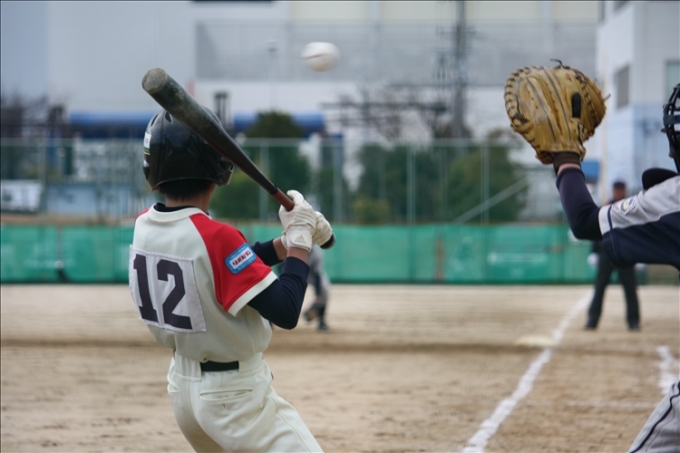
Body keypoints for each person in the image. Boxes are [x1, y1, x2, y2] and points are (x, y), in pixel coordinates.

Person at [128, 109, 332, 452]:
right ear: (218, 169)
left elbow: (223, 262)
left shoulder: (144, 226)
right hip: (235, 398)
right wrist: (300, 242)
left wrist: (285, 244)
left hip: (184, 391)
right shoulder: (217, 237)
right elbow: (286, 310)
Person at [552, 85, 680, 453]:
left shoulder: (672, 198)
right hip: (614, 253)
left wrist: (565, 158)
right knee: (607, 291)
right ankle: (601, 320)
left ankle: (630, 321)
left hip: (620, 246)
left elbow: (584, 221)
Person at [584, 180, 641, 331]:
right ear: (613, 191)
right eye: (616, 190)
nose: (618, 193)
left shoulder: (632, 208)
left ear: (625, 191)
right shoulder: (606, 208)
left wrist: (640, 253)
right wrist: (594, 251)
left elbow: (638, 232)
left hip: (625, 254)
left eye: (621, 190)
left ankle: (634, 321)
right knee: (600, 286)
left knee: (630, 288)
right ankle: (592, 320)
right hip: (607, 253)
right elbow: (598, 230)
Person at [303, 245, 332, 331]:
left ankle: (321, 321)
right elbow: (281, 265)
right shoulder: (294, 247)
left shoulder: (317, 253)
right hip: (296, 272)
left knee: (325, 289)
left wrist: (318, 295)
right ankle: (272, 320)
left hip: (311, 274)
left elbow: (317, 275)